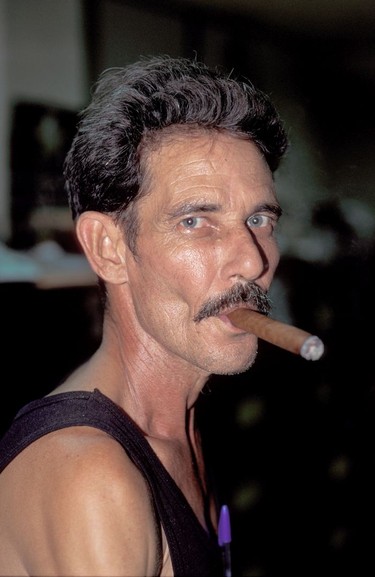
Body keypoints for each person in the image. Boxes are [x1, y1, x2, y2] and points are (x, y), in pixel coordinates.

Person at [0, 55, 288, 576]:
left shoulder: (186, 423)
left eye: (260, 218)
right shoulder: (90, 477)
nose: (252, 259)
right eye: (196, 220)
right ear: (108, 248)